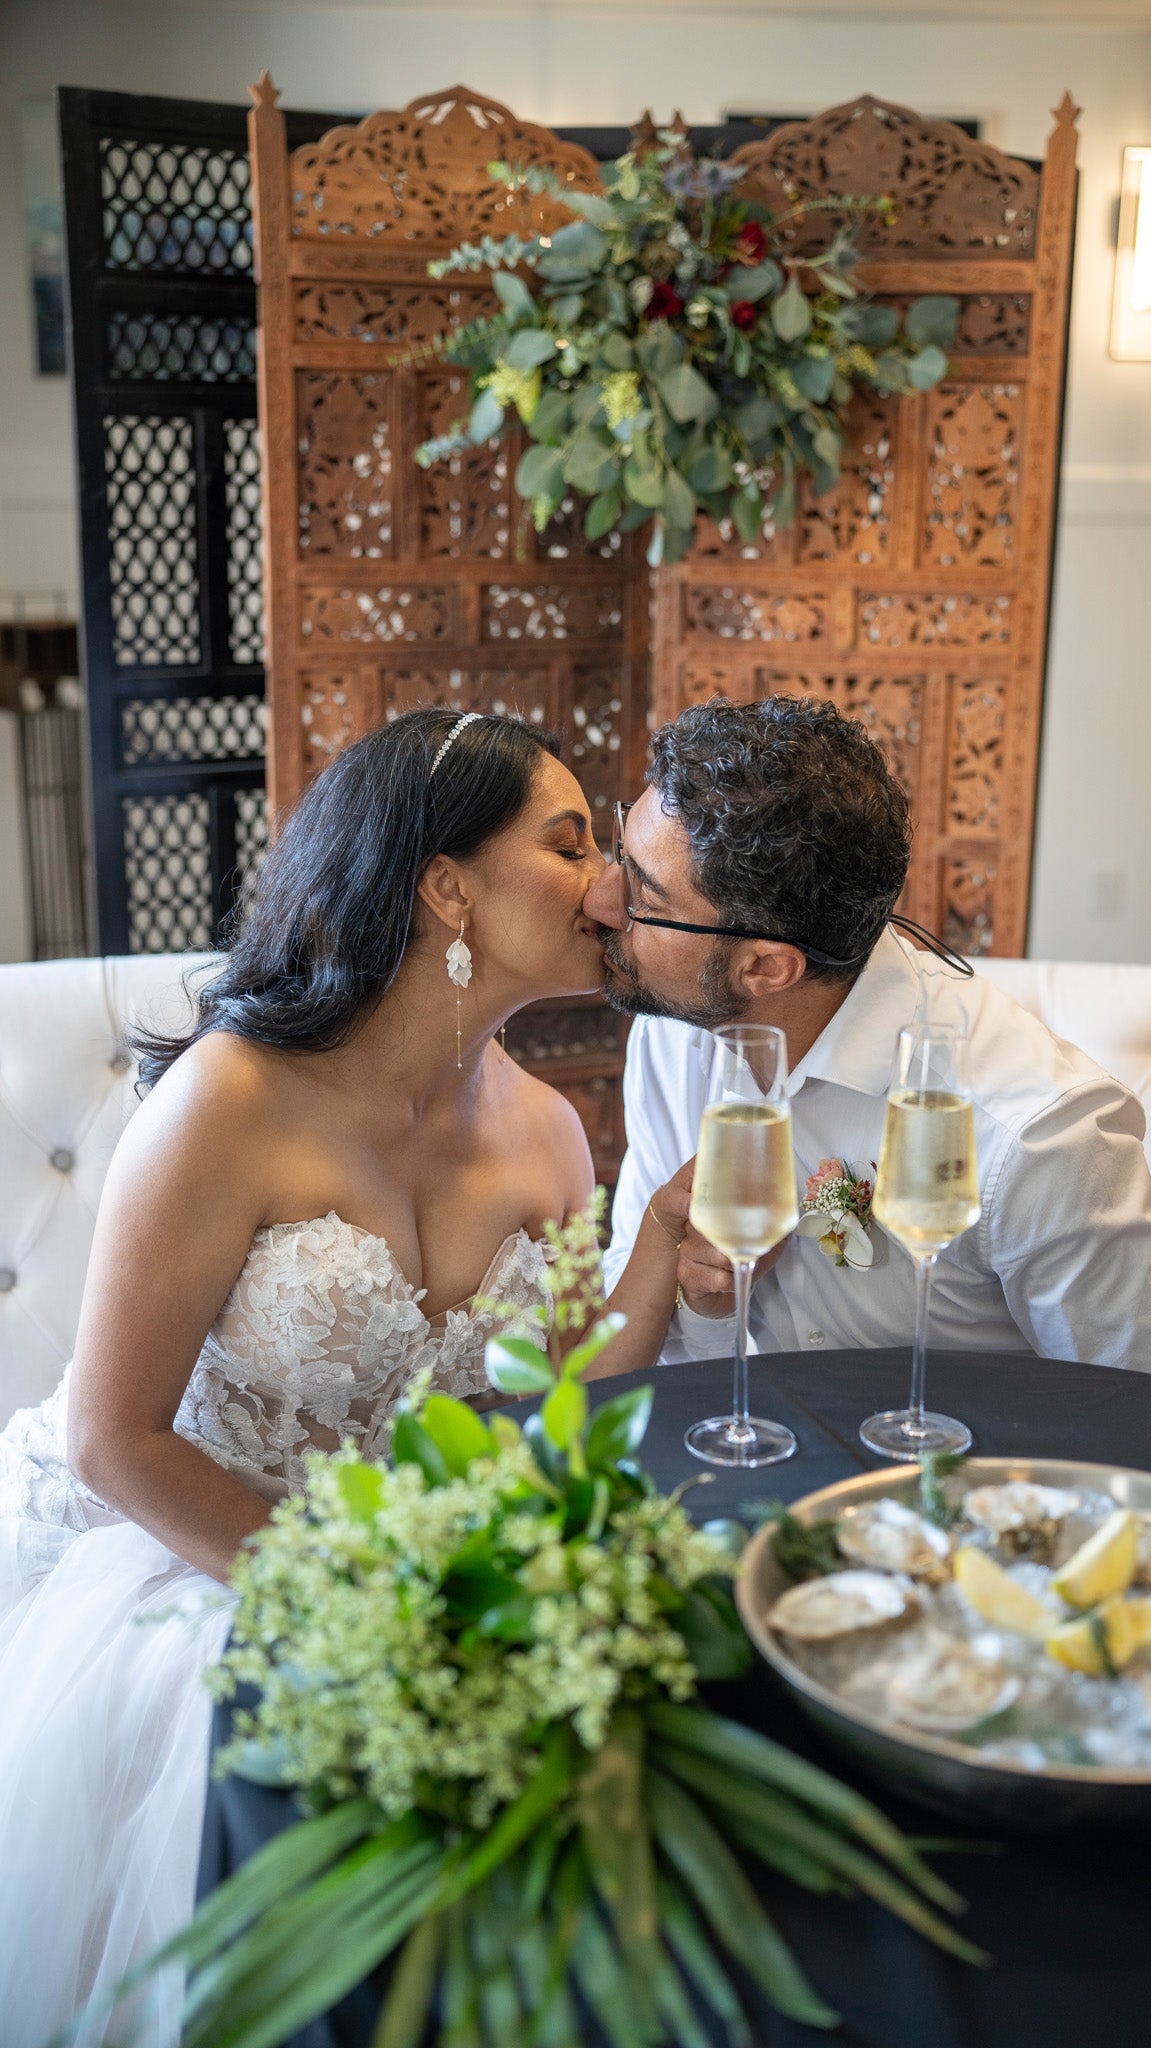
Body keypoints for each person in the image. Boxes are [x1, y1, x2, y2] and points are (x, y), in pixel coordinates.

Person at [0, 707, 689, 2048]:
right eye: (568, 844)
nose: (611, 886)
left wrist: (655, 1243)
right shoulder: (229, 1102)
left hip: (401, 1571)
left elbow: (544, 1408)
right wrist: (344, 1608)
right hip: (188, 1551)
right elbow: (113, 1437)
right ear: (446, 886)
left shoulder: (550, 1130)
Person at [593, 695, 1151, 1391]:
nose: (600, 900)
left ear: (764, 968)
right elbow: (653, 1349)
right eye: (618, 854)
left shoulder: (1034, 1135)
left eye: (642, 898)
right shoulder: (679, 1034)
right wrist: (707, 1306)